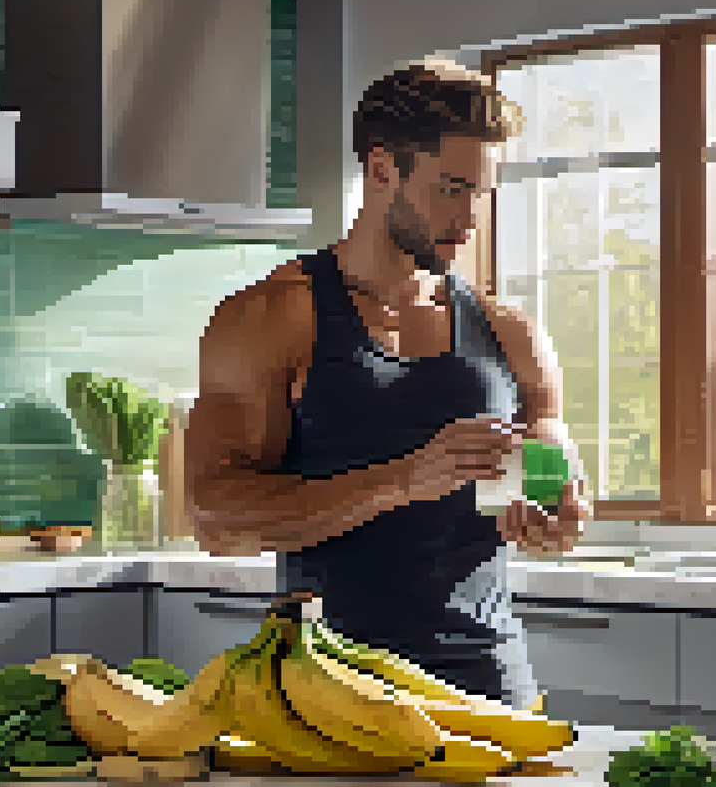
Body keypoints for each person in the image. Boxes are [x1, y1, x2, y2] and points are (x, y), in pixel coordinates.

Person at [185, 60, 590, 711]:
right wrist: (404, 480)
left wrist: (557, 513)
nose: (470, 219)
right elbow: (215, 518)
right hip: (329, 690)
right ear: (381, 170)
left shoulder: (512, 334)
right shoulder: (269, 318)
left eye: (481, 194)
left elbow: (550, 464)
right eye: (451, 189)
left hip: (491, 687)